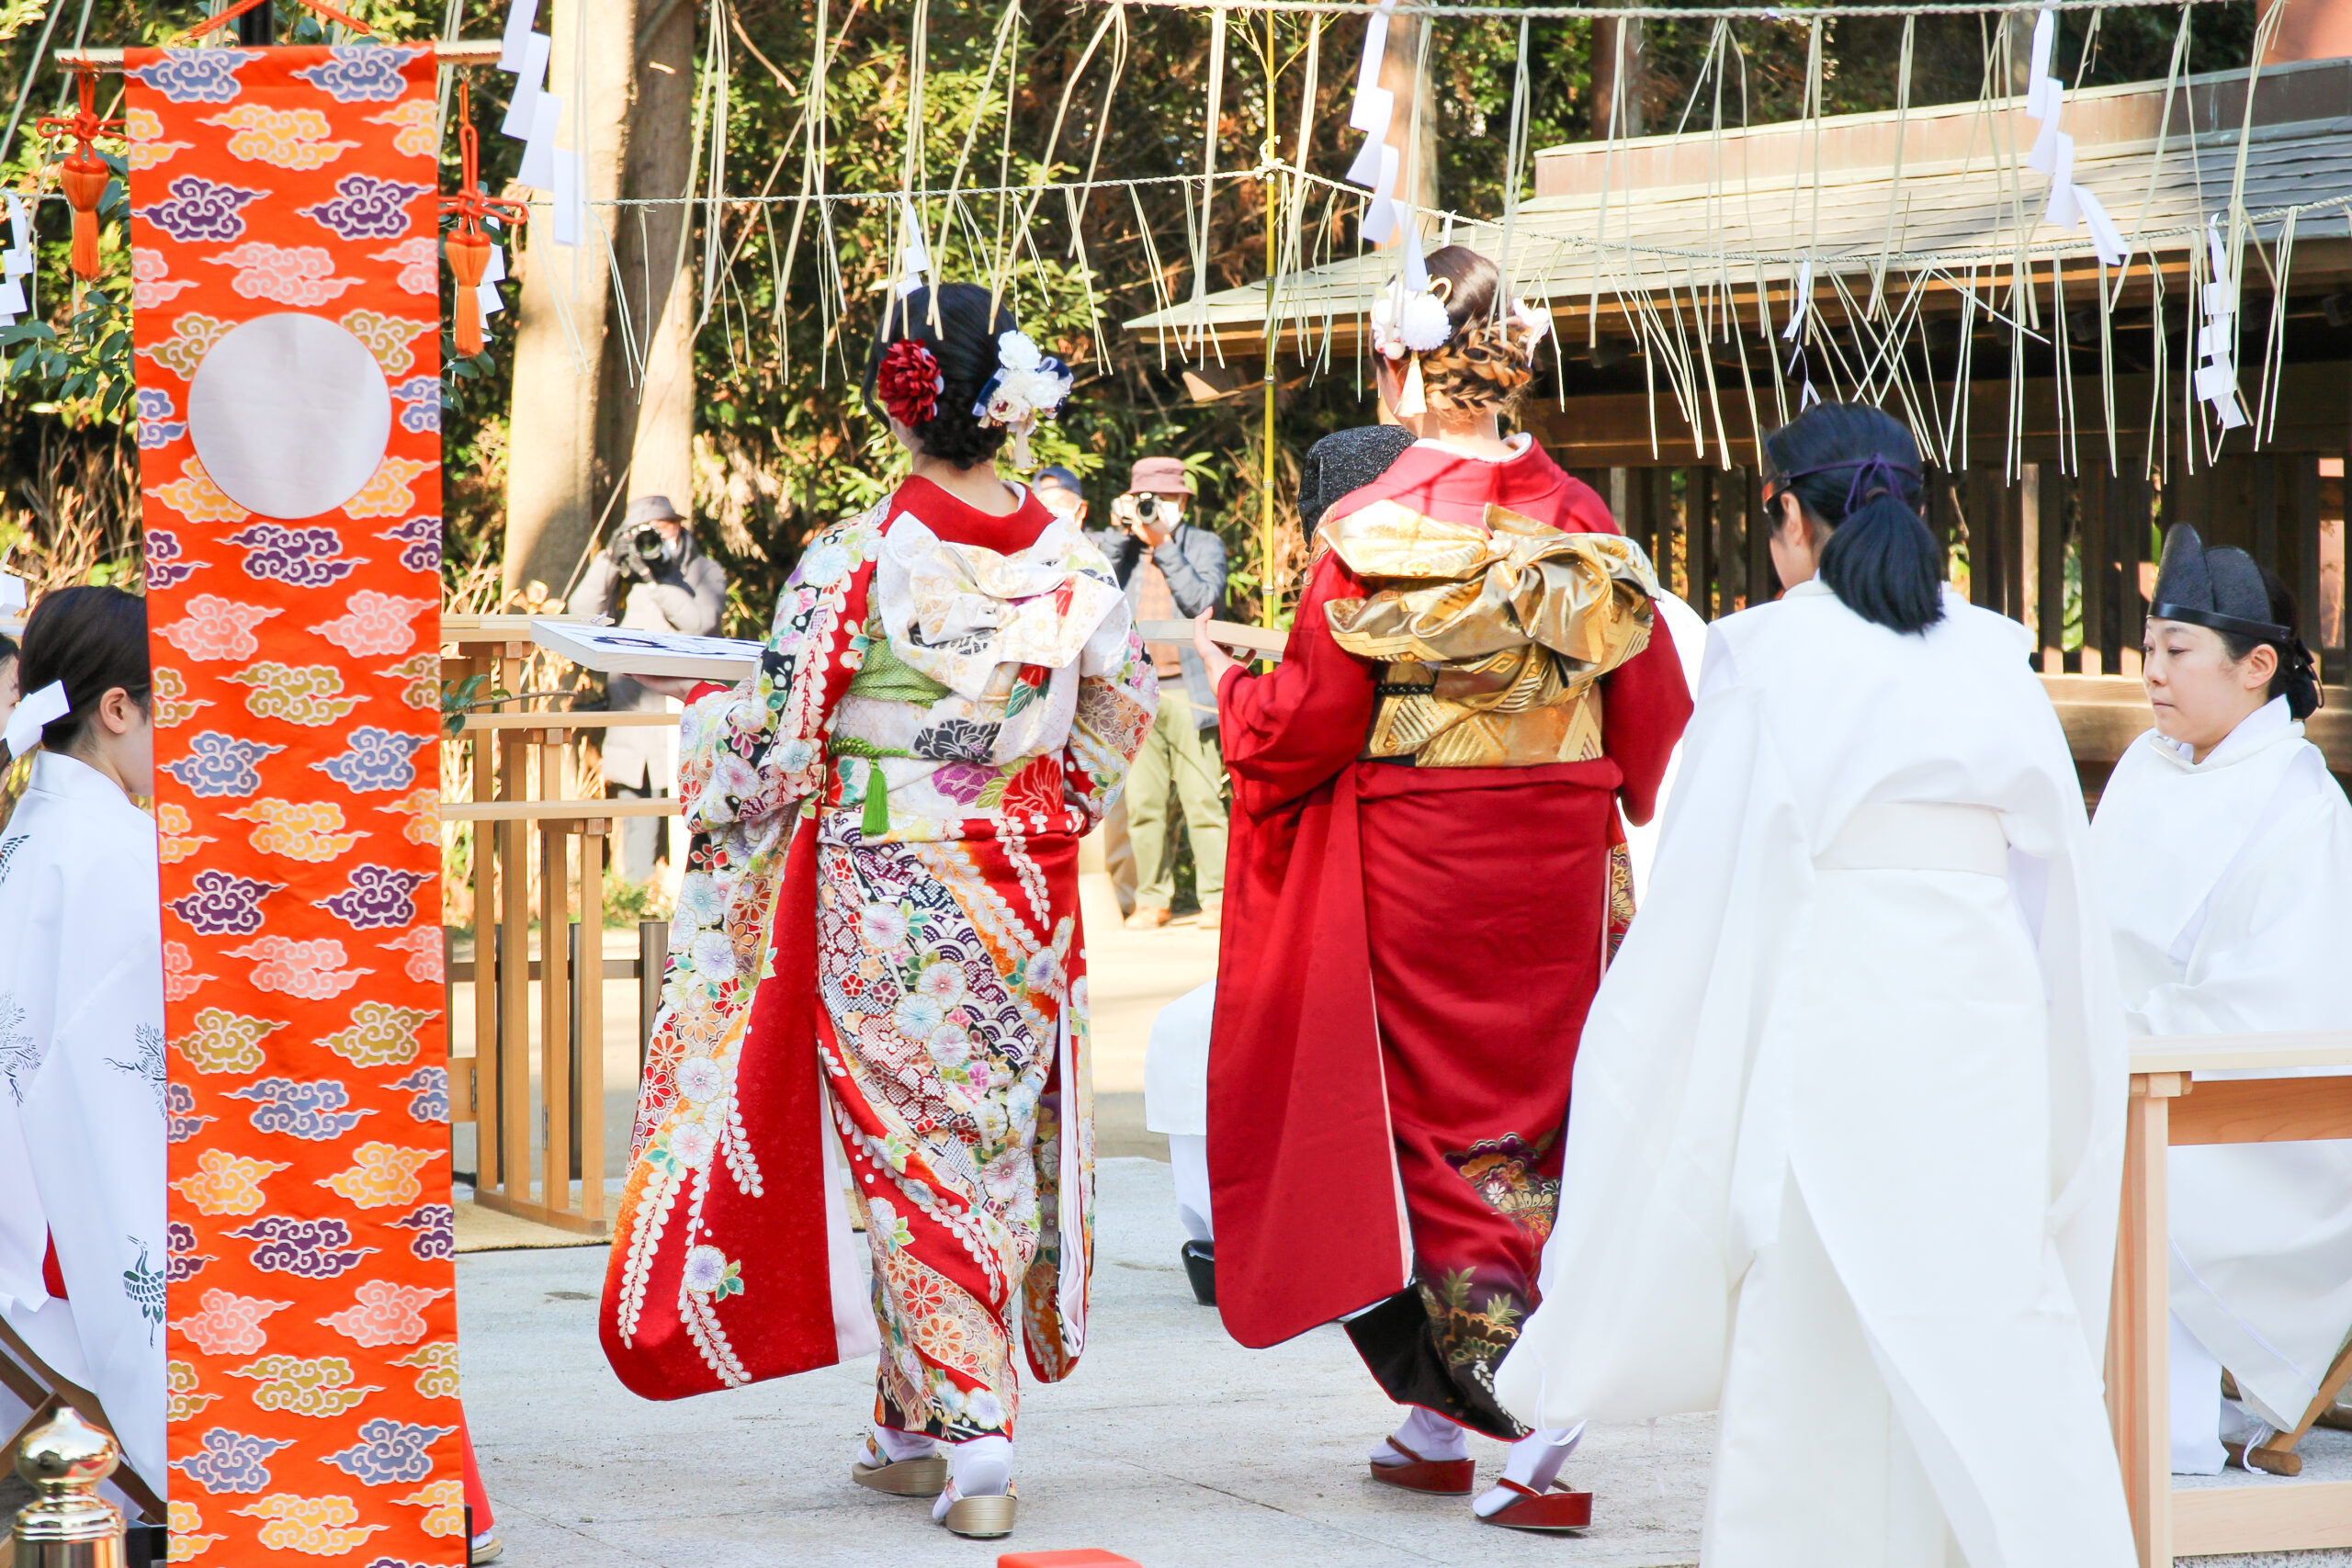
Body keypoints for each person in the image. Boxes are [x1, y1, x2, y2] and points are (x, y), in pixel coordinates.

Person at [1495, 402, 2137, 1567]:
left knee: (1816, 1294)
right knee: (1986, 1287)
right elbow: (2060, 884)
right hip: (1982, 996)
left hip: (1837, 988)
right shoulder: (1992, 653)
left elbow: (1708, 879)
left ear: (1788, 517)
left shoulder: (1772, 655)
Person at [599, 282, 1157, 1542]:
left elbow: (783, 739)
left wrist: (697, 745)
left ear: (896, 400)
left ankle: (978, 1439)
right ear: (1006, 404)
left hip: (889, 884)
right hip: (1023, 879)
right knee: (991, 1141)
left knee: (915, 1154)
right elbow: (1120, 713)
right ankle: (909, 1422)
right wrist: (1032, 801)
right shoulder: (1074, 558)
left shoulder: (855, 561)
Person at [1196, 244, 1692, 1530]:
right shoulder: (1581, 514)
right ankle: (1437, 1406)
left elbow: (1306, 719)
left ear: (1406, 366)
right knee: (1540, 1119)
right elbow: (1654, 714)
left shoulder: (1370, 524)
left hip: (1420, 848)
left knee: (1423, 1128)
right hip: (1561, 852)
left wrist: (1232, 699)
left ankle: (1537, 1423)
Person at [2088, 525, 2352, 1476]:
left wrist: (2127, 1042)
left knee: (2111, 1142)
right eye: (2149, 648)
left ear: (2255, 667)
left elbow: (2282, 1005)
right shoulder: (2144, 768)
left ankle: (2165, 1436)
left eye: (2176, 651)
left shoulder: (2300, 805)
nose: (2153, 672)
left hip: (2256, 1123)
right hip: (2124, 1061)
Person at [1091, 457, 1228, 931]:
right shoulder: (1121, 549)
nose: (1156, 508)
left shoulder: (1204, 544)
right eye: (1147, 500)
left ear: (1184, 501)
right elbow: (1090, 586)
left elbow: (1203, 603)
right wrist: (1117, 531)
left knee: (1203, 798)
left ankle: (1217, 898)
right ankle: (1151, 899)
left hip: (1191, 692)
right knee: (1144, 804)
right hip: (1137, 696)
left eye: (1166, 500)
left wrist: (1165, 545)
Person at [568, 493, 729, 883]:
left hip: (684, 710)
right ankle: (636, 892)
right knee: (633, 795)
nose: (655, 538)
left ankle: (688, 889)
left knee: (687, 797)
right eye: (645, 532)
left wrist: (658, 578)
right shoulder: (624, 574)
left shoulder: (704, 570)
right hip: (632, 708)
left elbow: (699, 623)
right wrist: (610, 560)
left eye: (663, 528)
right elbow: (579, 612)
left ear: (678, 527)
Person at [1036, 465, 1140, 919]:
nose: (1049, 512)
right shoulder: (1017, 550)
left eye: (1059, 503)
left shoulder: (1097, 549)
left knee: (1101, 797)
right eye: (1041, 502)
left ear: (1080, 508)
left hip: (1089, 695)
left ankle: (1117, 897)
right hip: (1034, 702)